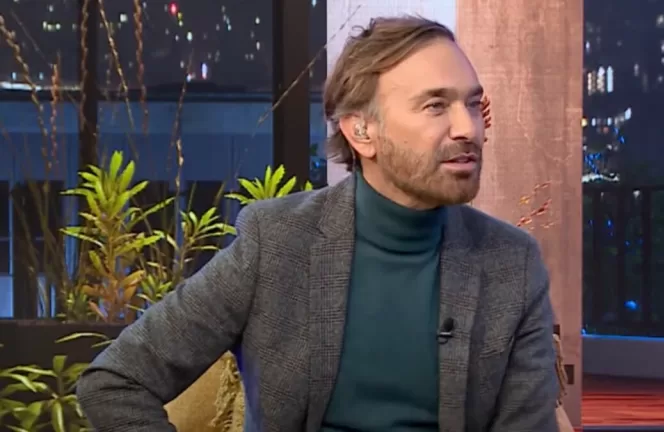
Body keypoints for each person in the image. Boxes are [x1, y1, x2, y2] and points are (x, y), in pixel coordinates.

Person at [76, 15, 559, 432]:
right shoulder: (276, 242)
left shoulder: (512, 265)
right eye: (436, 106)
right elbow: (117, 381)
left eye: (472, 104)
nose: (468, 128)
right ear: (361, 131)